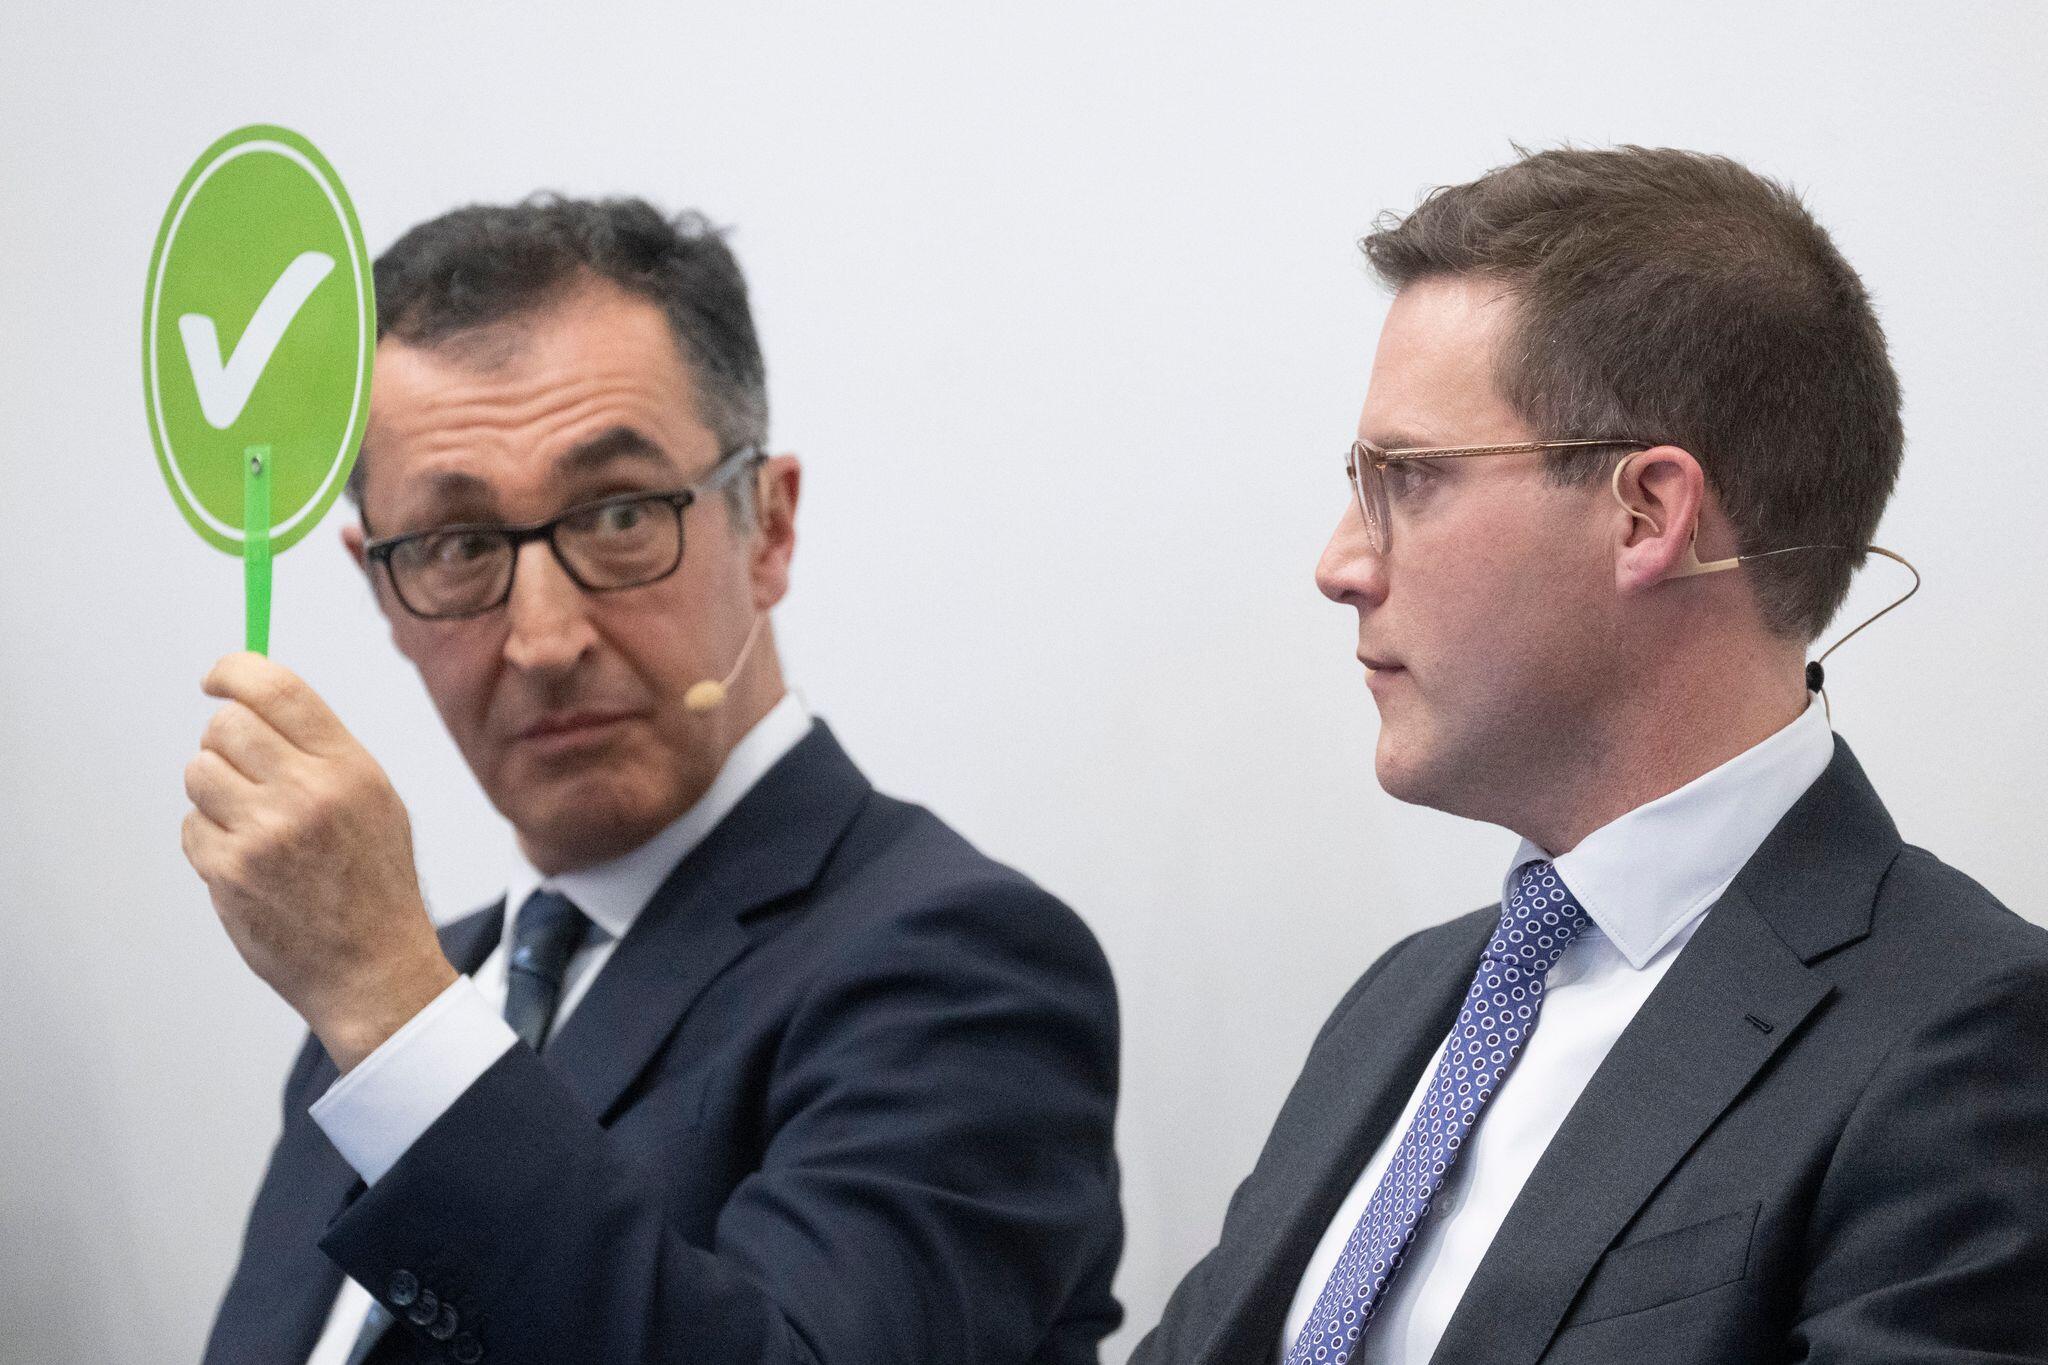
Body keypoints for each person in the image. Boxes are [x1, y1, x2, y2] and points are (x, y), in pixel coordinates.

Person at [1134, 146, 2048, 1364]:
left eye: (1406, 479)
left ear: (1644, 513)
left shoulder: (1970, 1039)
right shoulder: (1403, 1000)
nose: (1339, 564)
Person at [185, 196, 1123, 1365]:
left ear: (768, 526)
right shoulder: (392, 1018)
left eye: (619, 515)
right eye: (458, 545)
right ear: (381, 585)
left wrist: (388, 1005)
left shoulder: (958, 965)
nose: (543, 638)